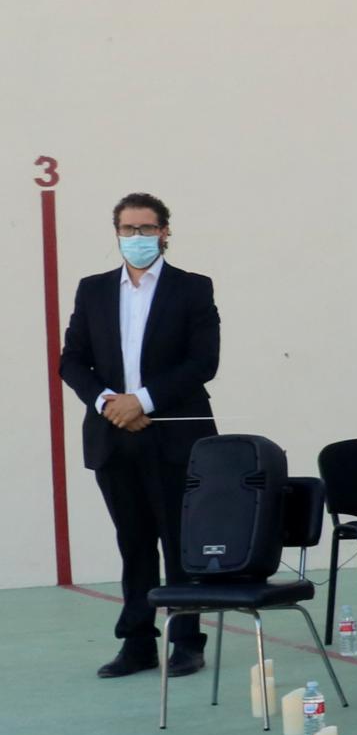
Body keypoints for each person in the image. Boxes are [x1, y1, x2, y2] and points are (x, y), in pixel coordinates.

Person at [59, 192, 219, 679]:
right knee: (133, 541)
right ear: (116, 234)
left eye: (146, 229)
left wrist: (143, 401)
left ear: (165, 232)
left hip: (173, 434)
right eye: (128, 230)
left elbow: (202, 362)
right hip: (114, 435)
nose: (137, 238)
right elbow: (72, 360)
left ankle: (187, 641)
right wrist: (111, 403)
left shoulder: (192, 288)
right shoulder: (93, 290)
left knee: (179, 540)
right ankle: (137, 642)